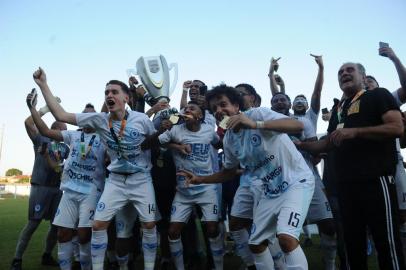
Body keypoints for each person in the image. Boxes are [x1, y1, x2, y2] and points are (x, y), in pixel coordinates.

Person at [32, 67, 159, 270]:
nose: (109, 95)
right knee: (98, 226)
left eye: (114, 92)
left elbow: (153, 143)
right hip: (116, 181)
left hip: (141, 179)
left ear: (126, 98)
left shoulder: (142, 120)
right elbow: (60, 114)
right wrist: (43, 84)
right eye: (106, 92)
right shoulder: (99, 119)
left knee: (149, 225)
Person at [181, 85, 314, 270]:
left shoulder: (257, 114)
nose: (219, 111)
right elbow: (228, 172)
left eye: (223, 104)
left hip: (296, 182)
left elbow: (297, 125)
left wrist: (256, 125)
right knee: (256, 244)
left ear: (236, 105)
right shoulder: (228, 139)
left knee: (286, 237)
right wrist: (200, 179)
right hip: (270, 192)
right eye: (214, 109)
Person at [299, 62, 405, 269]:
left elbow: (396, 127)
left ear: (364, 78)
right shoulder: (340, 108)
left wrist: (355, 132)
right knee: (352, 244)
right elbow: (328, 142)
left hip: (376, 181)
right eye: (340, 72)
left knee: (386, 243)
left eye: (349, 70)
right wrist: (301, 145)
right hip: (345, 186)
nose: (344, 74)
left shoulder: (378, 95)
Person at [27, 98, 106, 270]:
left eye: (91, 116)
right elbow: (46, 131)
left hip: (91, 192)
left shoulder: (103, 137)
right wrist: (32, 109)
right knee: (62, 234)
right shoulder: (73, 135)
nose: (87, 118)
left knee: (84, 235)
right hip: (69, 192)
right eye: (84, 115)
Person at [10, 97, 68, 270]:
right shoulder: (42, 139)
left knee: (56, 226)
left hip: (57, 190)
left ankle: (46, 255)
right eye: (64, 128)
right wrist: (46, 108)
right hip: (40, 187)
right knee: (33, 224)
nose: (66, 131)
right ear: (56, 129)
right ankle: (17, 259)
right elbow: (28, 122)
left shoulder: (65, 148)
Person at [365, 45, 406, 261]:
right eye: (364, 81)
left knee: (401, 214)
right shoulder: (350, 106)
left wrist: (393, 57)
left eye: (370, 81)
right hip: (363, 169)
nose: (367, 83)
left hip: (391, 165)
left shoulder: (385, 98)